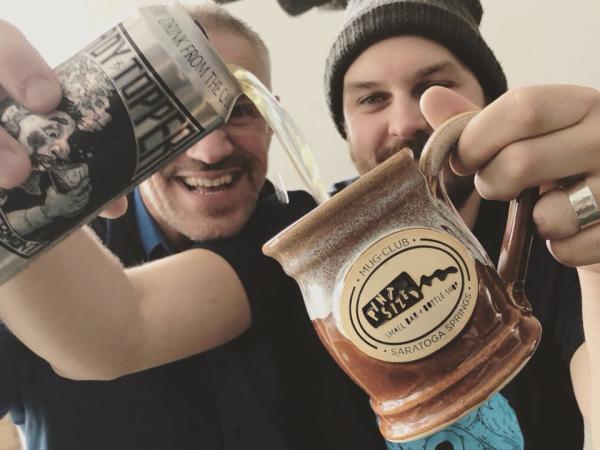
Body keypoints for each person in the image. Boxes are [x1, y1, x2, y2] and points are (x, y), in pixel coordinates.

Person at [0, 3, 385, 450]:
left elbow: (120, 329)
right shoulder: (40, 267)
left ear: (270, 121)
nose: (211, 150)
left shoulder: (303, 234)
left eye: (239, 110)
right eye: (176, 116)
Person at [323, 0, 600, 449]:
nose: (405, 122)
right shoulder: (312, 275)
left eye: (432, 85)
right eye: (372, 99)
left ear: (486, 104)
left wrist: (596, 268)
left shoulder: (554, 232)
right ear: (345, 128)